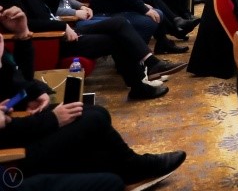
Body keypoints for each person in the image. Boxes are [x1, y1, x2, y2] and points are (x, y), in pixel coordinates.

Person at [0, 31, 187, 188]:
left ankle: (129, 167)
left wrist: (22, 36)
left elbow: (21, 79)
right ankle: (134, 168)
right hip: (15, 151)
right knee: (93, 120)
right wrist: (53, 119)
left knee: (96, 112)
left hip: (18, 124)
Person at [0, 0, 178, 99]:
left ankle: (150, 64)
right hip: (52, 40)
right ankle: (140, 85)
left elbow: (51, 10)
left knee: (119, 23)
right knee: (115, 40)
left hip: (62, 30)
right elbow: (26, 24)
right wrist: (62, 27)